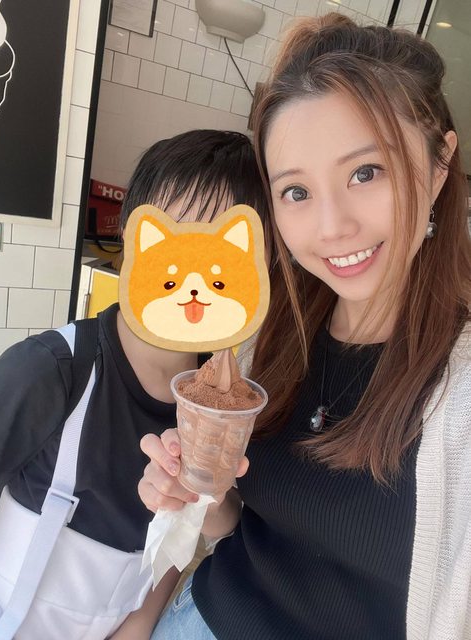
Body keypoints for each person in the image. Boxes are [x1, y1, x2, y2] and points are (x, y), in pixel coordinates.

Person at [138, 14, 471, 640]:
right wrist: (196, 490)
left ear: (439, 165)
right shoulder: (268, 340)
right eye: (296, 191)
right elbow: (243, 530)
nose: (331, 227)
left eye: (366, 173)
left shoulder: (461, 396)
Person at [0, 129, 269, 640]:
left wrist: (137, 629)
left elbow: (180, 539)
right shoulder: (51, 370)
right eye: (177, 236)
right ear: (132, 235)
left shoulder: (224, 404)